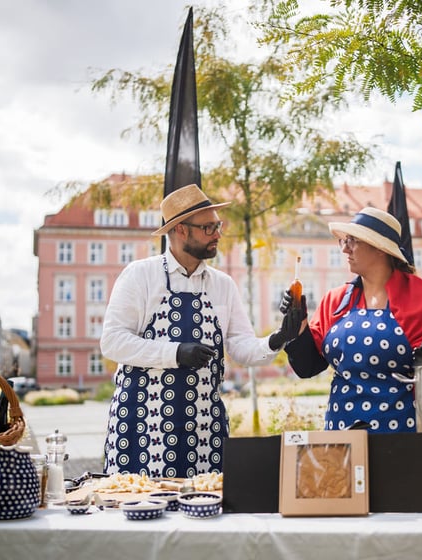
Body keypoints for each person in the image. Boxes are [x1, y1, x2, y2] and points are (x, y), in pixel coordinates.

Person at [100, 184, 304, 478]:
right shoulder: (140, 275)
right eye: (208, 228)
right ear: (181, 230)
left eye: (218, 226)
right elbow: (112, 342)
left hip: (204, 427)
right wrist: (176, 353)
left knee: (208, 503)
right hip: (143, 425)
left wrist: (279, 337)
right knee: (139, 503)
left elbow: (241, 347)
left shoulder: (223, 285)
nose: (218, 234)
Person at [280, 207, 422, 433]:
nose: (345, 248)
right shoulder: (335, 300)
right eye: (344, 241)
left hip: (402, 435)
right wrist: (298, 324)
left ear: (379, 248)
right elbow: (307, 367)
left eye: (353, 241)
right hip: (342, 435)